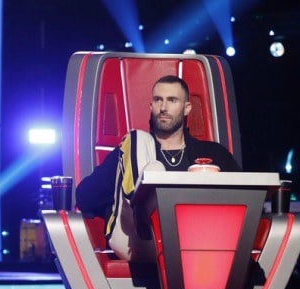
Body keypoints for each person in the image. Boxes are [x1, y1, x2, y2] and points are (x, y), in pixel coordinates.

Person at [75, 75, 241, 261]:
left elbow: (242, 200)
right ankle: (141, 210)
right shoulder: (132, 150)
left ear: (187, 108)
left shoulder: (213, 153)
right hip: (138, 241)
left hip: (194, 242)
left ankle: (149, 211)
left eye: (172, 100)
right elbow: (84, 198)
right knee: (143, 149)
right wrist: (119, 174)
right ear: (151, 106)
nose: (163, 107)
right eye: (158, 100)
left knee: (156, 168)